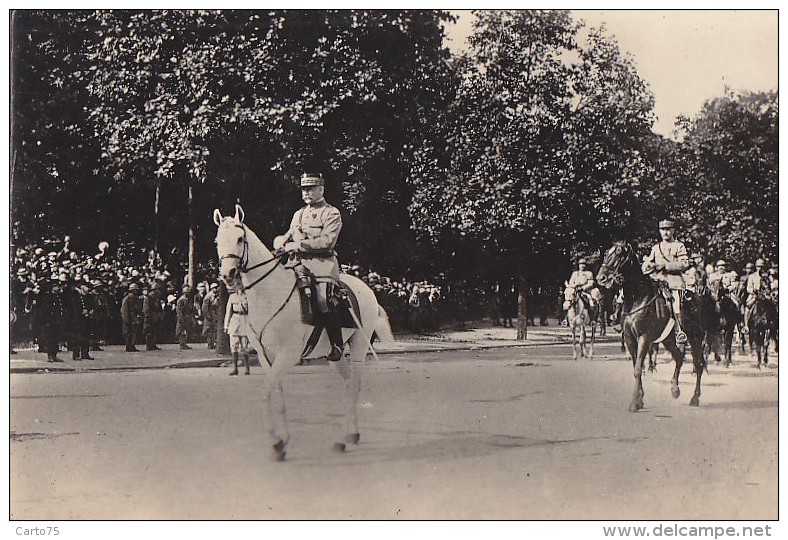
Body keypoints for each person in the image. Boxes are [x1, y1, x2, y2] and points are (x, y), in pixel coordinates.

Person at [274, 172, 345, 361]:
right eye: (304, 189)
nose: (307, 193)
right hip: (297, 262)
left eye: (311, 189)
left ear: (321, 189)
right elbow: (290, 233)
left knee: (323, 300)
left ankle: (336, 343)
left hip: (322, 264)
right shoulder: (299, 214)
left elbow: (327, 242)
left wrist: (300, 245)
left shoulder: (331, 213)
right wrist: (281, 240)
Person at [641, 219, 690, 344]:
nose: (666, 232)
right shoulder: (656, 248)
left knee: (676, 304)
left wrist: (665, 266)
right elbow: (647, 264)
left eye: (668, 229)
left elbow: (685, 263)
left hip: (673, 282)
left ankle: (680, 331)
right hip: (656, 282)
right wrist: (647, 266)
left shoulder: (679, 246)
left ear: (673, 230)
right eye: (663, 230)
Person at [224, 279, 251, 376]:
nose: (239, 286)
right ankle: (235, 368)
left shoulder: (247, 296)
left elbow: (251, 311)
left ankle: (247, 367)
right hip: (235, 320)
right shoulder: (232, 297)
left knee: (245, 345)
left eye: (240, 284)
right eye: (237, 285)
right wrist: (226, 325)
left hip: (245, 319)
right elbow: (228, 312)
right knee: (234, 346)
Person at [744, 258, 768, 331]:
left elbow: (767, 286)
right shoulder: (752, 276)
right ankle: (746, 326)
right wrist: (754, 291)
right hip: (754, 295)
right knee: (747, 308)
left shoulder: (766, 276)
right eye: (758, 266)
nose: (760, 268)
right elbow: (748, 288)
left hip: (763, 295)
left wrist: (766, 291)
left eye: (761, 267)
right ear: (756, 267)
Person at [120, 283, 143, 352]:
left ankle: (132, 345)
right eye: (135, 290)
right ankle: (129, 346)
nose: (136, 291)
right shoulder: (127, 299)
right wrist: (126, 319)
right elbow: (124, 310)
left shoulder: (136, 298)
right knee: (128, 332)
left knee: (134, 332)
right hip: (129, 316)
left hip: (135, 316)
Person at [143, 283, 163, 351]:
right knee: (149, 331)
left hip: (156, 316)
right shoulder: (148, 298)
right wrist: (148, 316)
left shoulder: (157, 298)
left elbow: (159, 307)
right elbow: (146, 308)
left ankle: (153, 344)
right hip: (151, 316)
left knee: (155, 331)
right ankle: (149, 345)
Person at [201, 282, 221, 349]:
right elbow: (204, 308)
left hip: (216, 314)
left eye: (217, 287)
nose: (216, 289)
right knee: (209, 330)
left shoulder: (217, 295)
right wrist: (208, 316)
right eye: (215, 288)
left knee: (215, 330)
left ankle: (214, 343)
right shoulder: (208, 297)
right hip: (210, 315)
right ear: (212, 289)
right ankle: (210, 343)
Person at [176, 284, 194, 350]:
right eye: (186, 292)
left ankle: (184, 343)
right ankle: (182, 344)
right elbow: (179, 310)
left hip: (187, 316)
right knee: (181, 331)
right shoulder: (181, 300)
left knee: (186, 330)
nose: (187, 293)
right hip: (182, 317)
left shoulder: (188, 299)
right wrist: (181, 318)